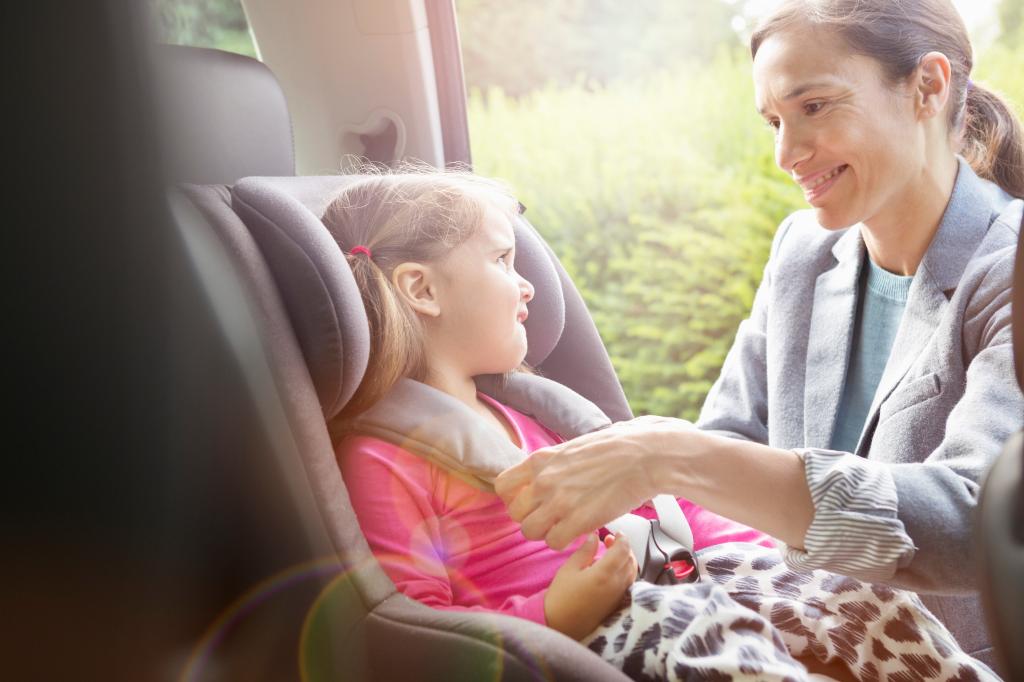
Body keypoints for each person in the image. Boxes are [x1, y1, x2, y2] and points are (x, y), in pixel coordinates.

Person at [495, 0, 1024, 668]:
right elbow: (731, 446)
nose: (784, 154)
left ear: (928, 87)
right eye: (774, 121)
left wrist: (668, 455)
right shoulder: (802, 252)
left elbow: (978, 524)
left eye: (815, 108)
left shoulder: (1008, 269)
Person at [325, 170, 998, 681]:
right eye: (502, 262)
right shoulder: (384, 461)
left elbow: (668, 512)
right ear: (422, 290)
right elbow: (416, 634)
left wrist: (771, 548)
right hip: (576, 644)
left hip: (670, 579)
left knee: (850, 599)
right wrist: (556, 613)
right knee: (704, 635)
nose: (527, 285)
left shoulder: (527, 416)